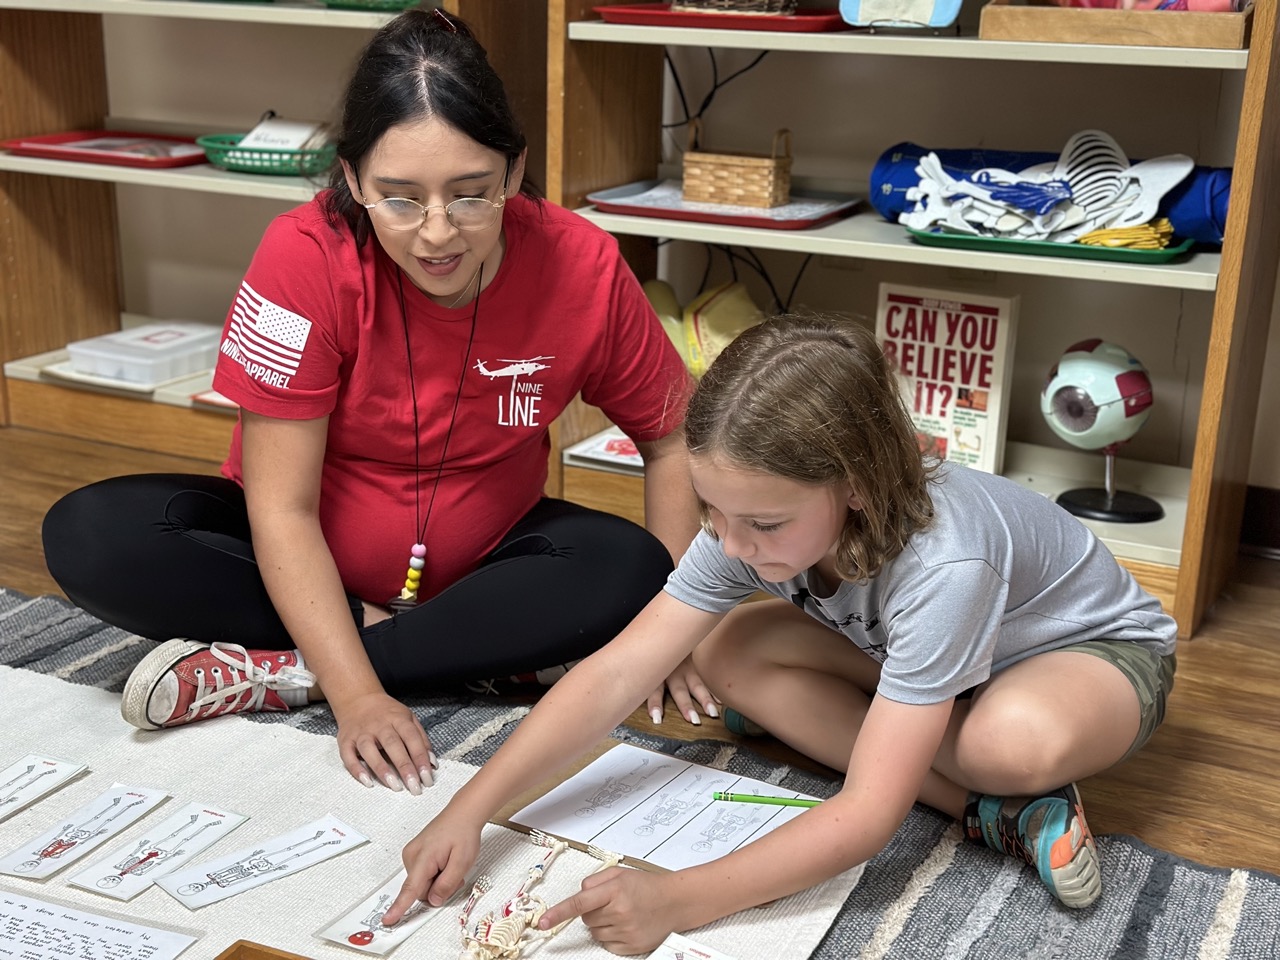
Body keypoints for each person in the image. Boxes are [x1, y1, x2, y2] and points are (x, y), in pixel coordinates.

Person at [41, 8, 713, 800]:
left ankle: (281, 676)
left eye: (472, 195)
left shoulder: (582, 262)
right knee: (92, 536)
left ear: (516, 167)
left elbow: (674, 441)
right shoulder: (300, 256)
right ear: (353, 178)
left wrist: (673, 634)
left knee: (633, 573)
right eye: (399, 198)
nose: (438, 235)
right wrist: (359, 700)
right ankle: (469, 657)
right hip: (296, 565)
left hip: (486, 567)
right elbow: (283, 510)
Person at [382, 315, 1178, 953]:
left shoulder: (946, 564)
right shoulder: (751, 520)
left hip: (1088, 657)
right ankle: (990, 809)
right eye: (712, 513)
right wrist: (472, 808)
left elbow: (868, 814)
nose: (729, 545)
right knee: (721, 647)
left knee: (1006, 747)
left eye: (761, 523)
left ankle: (989, 793)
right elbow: (616, 672)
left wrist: (678, 898)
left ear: (857, 488)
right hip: (928, 653)